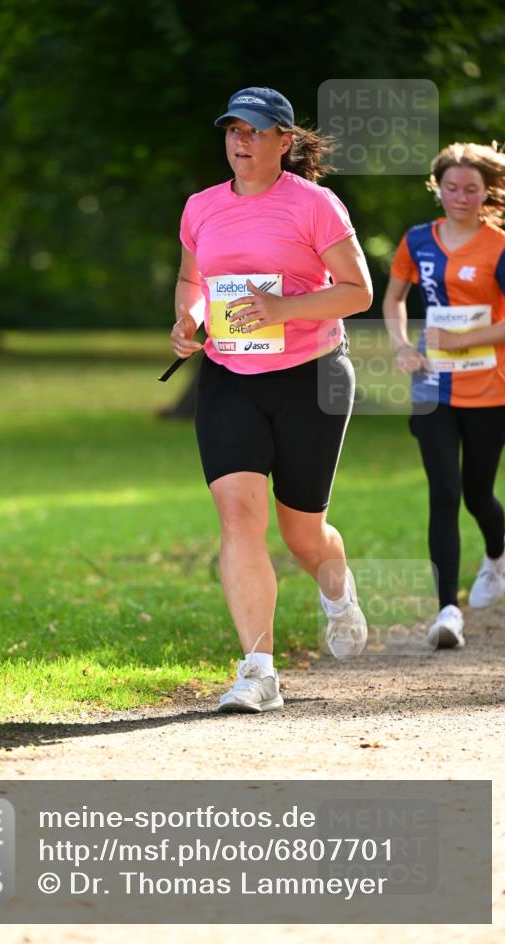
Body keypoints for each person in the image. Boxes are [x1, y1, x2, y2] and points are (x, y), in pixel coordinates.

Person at [170, 86, 373, 713]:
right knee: (238, 513)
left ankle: (337, 594)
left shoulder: (314, 205)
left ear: (286, 141)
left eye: (255, 130)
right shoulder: (201, 207)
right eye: (232, 129)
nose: (240, 140)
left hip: (311, 377)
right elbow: (191, 278)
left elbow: (358, 291)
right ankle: (257, 671)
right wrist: (187, 318)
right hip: (230, 376)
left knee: (303, 535)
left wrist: (283, 308)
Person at [383, 141, 505, 649]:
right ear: (438, 188)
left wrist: (464, 340)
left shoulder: (502, 249)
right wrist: (400, 347)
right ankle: (447, 610)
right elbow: (393, 298)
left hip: (492, 387)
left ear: (486, 194)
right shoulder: (417, 240)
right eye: (452, 188)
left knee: (478, 491)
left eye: (471, 189)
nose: (461, 197)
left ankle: (499, 552)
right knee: (444, 491)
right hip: (433, 384)